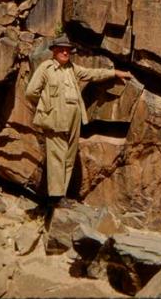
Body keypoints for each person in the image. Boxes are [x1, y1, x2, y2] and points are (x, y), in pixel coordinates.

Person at [25, 33, 131, 211]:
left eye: (68, 50)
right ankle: (55, 197)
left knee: (69, 157)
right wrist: (47, 106)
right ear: (55, 51)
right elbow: (31, 92)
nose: (66, 53)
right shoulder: (46, 68)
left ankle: (61, 195)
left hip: (74, 118)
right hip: (55, 119)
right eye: (62, 50)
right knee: (56, 157)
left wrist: (114, 73)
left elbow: (92, 73)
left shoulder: (72, 68)